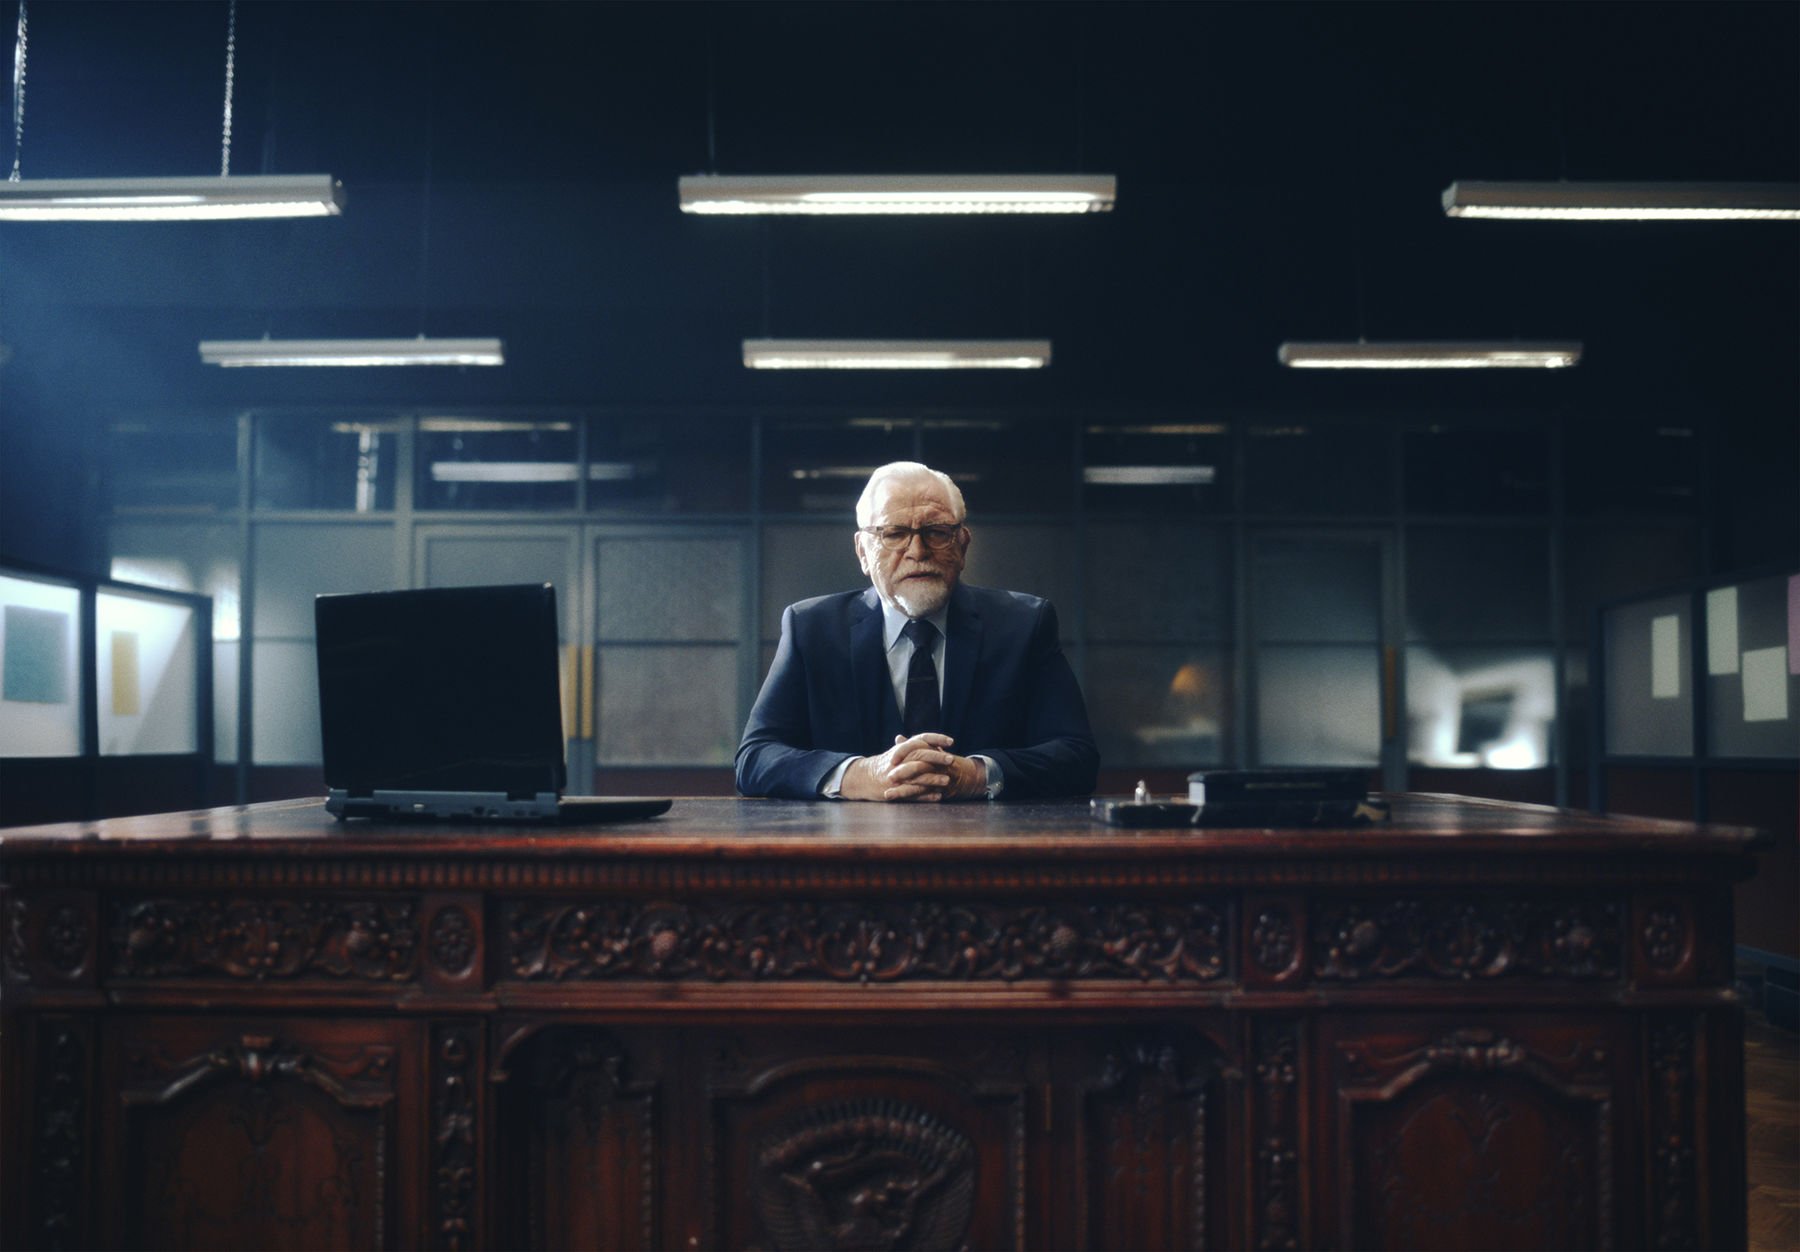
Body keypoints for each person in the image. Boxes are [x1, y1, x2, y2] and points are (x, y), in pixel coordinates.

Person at [736, 461, 1099, 801]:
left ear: (963, 543)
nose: (918, 551)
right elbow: (755, 758)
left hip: (987, 853)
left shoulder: (1025, 624)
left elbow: (1077, 757)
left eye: (937, 532)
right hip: (847, 855)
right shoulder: (810, 627)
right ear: (863, 551)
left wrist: (974, 775)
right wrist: (860, 775)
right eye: (894, 534)